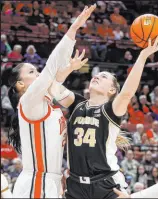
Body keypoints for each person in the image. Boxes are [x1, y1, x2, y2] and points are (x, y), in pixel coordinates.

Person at [48, 33, 158, 197]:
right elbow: (52, 87)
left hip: (106, 184)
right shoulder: (77, 103)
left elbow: (126, 93)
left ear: (112, 90)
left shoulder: (111, 109)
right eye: (96, 75)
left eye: (103, 77)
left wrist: (143, 55)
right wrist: (68, 68)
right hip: (75, 185)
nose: (96, 76)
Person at [7, 5, 96, 198]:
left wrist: (68, 69)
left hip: (51, 181)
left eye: (36, 71)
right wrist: (74, 28)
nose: (37, 74)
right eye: (32, 72)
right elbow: (51, 69)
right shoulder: (28, 102)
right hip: (38, 182)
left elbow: (54, 79)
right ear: (20, 84)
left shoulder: (43, 100)